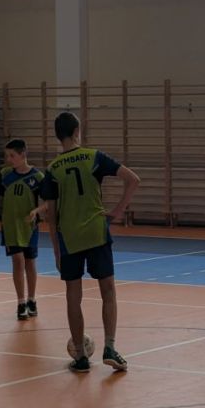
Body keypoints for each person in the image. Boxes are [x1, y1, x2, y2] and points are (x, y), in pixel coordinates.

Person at [38, 112, 140, 373]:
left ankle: (81, 357)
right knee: (108, 291)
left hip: (69, 237)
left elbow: (51, 215)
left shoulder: (53, 170)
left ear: (57, 136)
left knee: (73, 296)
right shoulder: (94, 157)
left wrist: (57, 251)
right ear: (77, 131)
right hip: (96, 232)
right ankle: (110, 348)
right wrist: (117, 212)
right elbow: (133, 179)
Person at [0, 138, 43, 321]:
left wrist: (36, 211)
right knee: (17, 261)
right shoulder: (5, 175)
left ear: (23, 154)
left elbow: (48, 203)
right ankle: (21, 303)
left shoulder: (37, 177)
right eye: (7, 156)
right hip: (11, 226)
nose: (8, 159)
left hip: (29, 227)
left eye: (12, 156)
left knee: (30, 262)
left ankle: (32, 299)